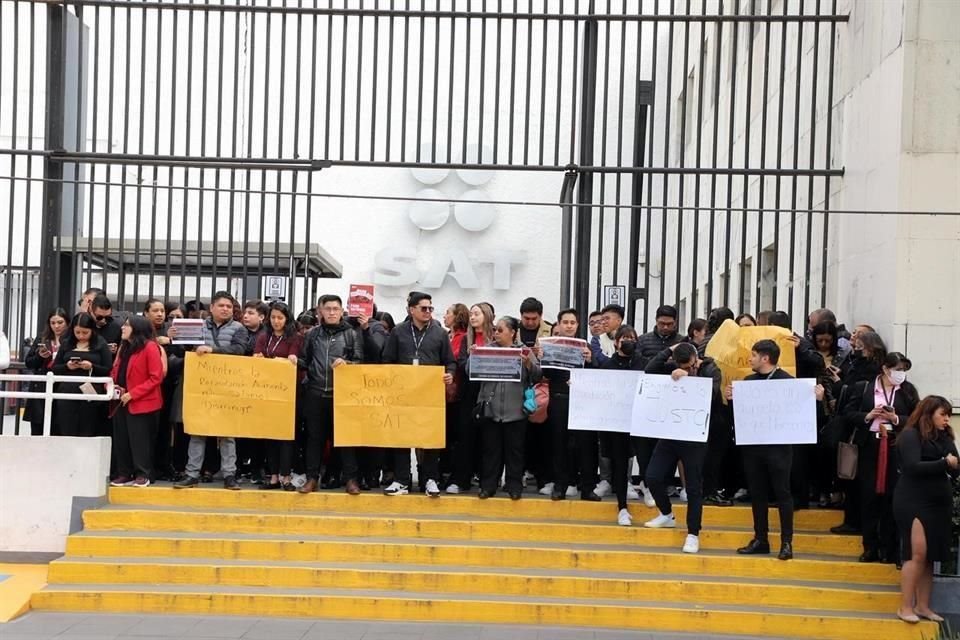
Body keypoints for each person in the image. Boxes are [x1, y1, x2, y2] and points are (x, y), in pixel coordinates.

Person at [643, 342, 723, 554]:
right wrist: (669, 349)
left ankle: (693, 533)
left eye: (691, 366)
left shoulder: (710, 368)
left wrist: (690, 379)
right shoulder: (673, 366)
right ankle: (666, 514)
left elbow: (713, 393)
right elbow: (650, 369)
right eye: (684, 367)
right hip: (671, 431)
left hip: (695, 435)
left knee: (694, 487)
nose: (688, 370)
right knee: (652, 476)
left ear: (697, 359)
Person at [727, 340, 802, 561]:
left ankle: (786, 542)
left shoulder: (787, 382)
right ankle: (761, 538)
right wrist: (733, 400)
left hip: (779, 447)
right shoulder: (748, 381)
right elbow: (740, 416)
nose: (749, 359)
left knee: (782, 493)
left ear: (765, 358)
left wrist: (815, 397)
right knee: (757, 493)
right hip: (754, 446)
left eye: (753, 355)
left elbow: (800, 411)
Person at [845, 352, 919, 564]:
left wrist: (895, 418)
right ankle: (870, 546)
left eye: (904, 370)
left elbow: (916, 418)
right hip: (870, 444)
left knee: (892, 496)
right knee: (869, 495)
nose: (900, 374)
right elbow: (848, 414)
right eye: (897, 369)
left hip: (895, 445)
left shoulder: (907, 391)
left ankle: (890, 547)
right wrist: (869, 415)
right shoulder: (865, 388)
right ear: (886, 369)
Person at [380, 292, 456, 496]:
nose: (428, 312)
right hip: (403, 394)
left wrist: (450, 374)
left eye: (431, 308)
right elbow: (387, 360)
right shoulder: (398, 332)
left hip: (429, 394)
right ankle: (402, 480)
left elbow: (450, 361)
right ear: (411, 310)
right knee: (402, 437)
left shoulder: (439, 333)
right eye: (424, 308)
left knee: (429, 436)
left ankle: (430, 478)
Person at [173, 291, 248, 490]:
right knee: (198, 431)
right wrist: (173, 337)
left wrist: (212, 351)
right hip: (201, 387)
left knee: (227, 433)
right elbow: (184, 350)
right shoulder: (196, 326)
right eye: (221, 305)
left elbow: (240, 350)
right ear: (212, 308)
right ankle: (191, 474)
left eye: (229, 306)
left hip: (227, 387)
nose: (225, 309)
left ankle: (229, 475)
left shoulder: (239, 328)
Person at [893, 396, 958, 624]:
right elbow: (913, 466)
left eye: (949, 415)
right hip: (914, 499)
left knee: (930, 557)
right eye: (943, 414)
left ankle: (923, 606)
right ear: (929, 414)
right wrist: (944, 463)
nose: (947, 419)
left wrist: (952, 463)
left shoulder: (945, 437)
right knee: (917, 553)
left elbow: (955, 464)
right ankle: (905, 606)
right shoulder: (911, 435)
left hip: (938, 502)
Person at [466, 316, 541, 500]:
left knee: (515, 451)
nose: (496, 333)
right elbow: (469, 372)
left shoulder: (523, 351)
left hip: (515, 410)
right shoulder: (486, 350)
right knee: (491, 451)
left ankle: (514, 486)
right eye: (495, 330)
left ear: (512, 332)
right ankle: (488, 486)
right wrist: (473, 356)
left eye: (500, 330)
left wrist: (528, 363)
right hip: (491, 409)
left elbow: (539, 375)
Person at [297, 294, 364, 494]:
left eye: (336, 309)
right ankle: (311, 479)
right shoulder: (312, 334)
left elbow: (360, 361)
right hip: (315, 393)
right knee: (314, 439)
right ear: (320, 312)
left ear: (342, 311)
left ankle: (351, 480)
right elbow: (305, 360)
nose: (332, 312)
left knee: (345, 439)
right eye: (328, 309)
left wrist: (348, 363)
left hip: (342, 395)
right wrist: (291, 360)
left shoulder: (352, 333)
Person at [536, 308, 599, 502]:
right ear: (559, 325)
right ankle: (560, 485)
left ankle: (587, 488)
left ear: (577, 325)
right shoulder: (551, 345)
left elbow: (598, 373)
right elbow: (544, 374)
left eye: (573, 322)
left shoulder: (585, 346)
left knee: (586, 445)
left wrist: (590, 360)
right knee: (559, 444)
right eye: (566, 322)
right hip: (559, 398)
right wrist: (541, 358)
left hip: (583, 402)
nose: (569, 326)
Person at [109, 316, 165, 487]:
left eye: (127, 326)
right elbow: (116, 370)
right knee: (122, 440)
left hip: (142, 402)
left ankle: (144, 474)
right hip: (120, 401)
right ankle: (124, 473)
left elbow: (156, 377)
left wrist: (133, 394)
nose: (123, 328)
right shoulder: (124, 348)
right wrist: (113, 386)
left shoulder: (150, 347)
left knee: (140, 441)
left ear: (137, 328)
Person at [600, 325, 647, 522]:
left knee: (646, 458)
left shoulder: (644, 363)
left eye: (631, 338)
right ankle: (622, 507)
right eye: (624, 338)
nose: (628, 341)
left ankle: (650, 490)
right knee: (620, 463)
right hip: (617, 424)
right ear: (616, 342)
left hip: (641, 421)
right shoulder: (607, 366)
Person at [253, 302, 302, 491]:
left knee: (287, 436)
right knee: (270, 435)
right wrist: (257, 359)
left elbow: (293, 361)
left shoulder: (295, 338)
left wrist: (282, 361)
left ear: (287, 319)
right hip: (267, 393)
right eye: (273, 317)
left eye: (280, 318)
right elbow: (256, 359)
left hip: (288, 394)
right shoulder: (264, 337)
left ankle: (286, 476)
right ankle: (273, 476)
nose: (276, 321)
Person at [448, 302, 496, 494]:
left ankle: (487, 481)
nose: (473, 317)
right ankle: (461, 479)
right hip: (469, 392)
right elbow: (460, 364)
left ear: (486, 315)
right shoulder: (466, 339)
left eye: (477, 314)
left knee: (489, 439)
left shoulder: (495, 337)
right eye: (471, 314)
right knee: (465, 437)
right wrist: (471, 356)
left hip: (490, 392)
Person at [50, 313, 113, 437]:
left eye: (85, 332)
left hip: (90, 392)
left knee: (88, 427)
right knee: (66, 427)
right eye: (77, 332)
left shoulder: (100, 344)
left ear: (92, 330)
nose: (81, 336)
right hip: (67, 392)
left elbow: (107, 369)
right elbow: (55, 368)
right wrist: (67, 366)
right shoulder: (67, 344)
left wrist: (92, 367)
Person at [23, 308, 70, 435]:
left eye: (60, 322)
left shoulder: (71, 340)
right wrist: (40, 356)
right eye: (53, 323)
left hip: (60, 385)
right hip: (41, 386)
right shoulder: (42, 338)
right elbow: (29, 362)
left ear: (67, 322)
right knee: (38, 429)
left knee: (58, 428)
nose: (56, 326)